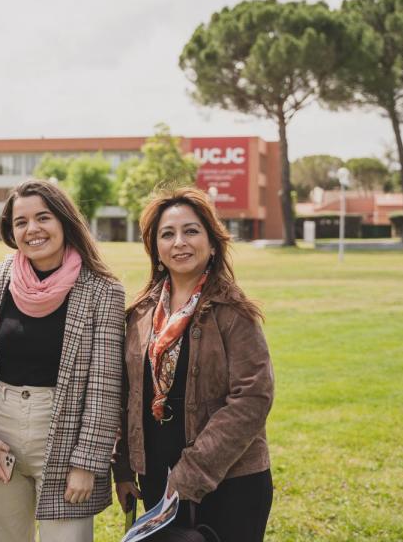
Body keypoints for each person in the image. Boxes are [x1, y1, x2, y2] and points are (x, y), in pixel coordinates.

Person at [0, 179, 125, 542]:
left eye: (43, 217)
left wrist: (86, 464)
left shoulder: (102, 289)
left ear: (64, 221)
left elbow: (105, 386)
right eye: (21, 222)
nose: (32, 229)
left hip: (67, 432)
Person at [113, 187, 274, 542]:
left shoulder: (234, 312)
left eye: (191, 231)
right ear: (155, 249)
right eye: (167, 234)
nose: (179, 242)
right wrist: (124, 468)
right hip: (157, 481)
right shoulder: (139, 314)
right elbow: (126, 396)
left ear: (212, 243)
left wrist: (191, 473)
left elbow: (253, 398)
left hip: (232, 481)